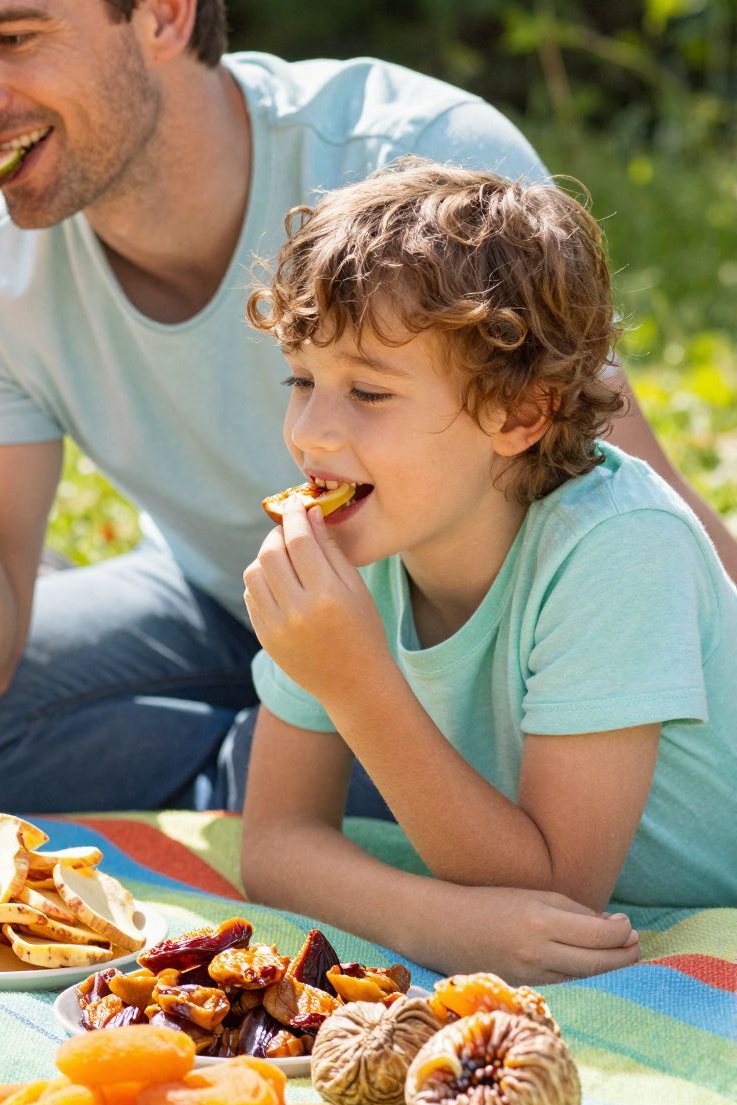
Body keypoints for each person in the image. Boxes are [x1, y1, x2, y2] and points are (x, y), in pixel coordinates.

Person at [0, 0, 733, 813]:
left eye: (13, 39)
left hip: (458, 641)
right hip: (210, 591)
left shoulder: (417, 169)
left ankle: (263, 765)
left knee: (556, 807)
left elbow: (629, 493)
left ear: (162, 14)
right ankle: (267, 759)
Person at [238, 162, 737, 983]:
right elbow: (275, 843)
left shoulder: (619, 545)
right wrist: (433, 920)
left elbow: (554, 898)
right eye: (303, 380)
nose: (312, 434)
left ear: (520, 413)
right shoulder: (361, 540)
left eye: (368, 391)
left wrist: (355, 680)